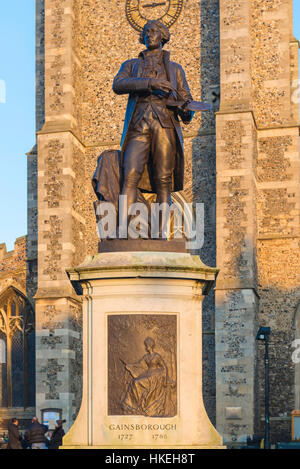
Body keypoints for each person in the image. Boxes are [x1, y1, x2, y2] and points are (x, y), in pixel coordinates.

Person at [113, 20, 194, 237]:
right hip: (139, 125)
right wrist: (150, 84)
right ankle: (121, 230)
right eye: (146, 32)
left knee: (163, 180)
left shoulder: (175, 69)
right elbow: (118, 84)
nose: (149, 35)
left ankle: (160, 235)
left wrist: (186, 109)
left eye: (154, 31)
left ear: (163, 36)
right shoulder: (131, 65)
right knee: (129, 174)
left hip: (164, 125)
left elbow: (186, 99)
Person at [121, 337, 169, 417]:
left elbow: (164, 367)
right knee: (135, 382)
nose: (146, 347)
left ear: (150, 345)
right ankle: (132, 404)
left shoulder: (157, 356)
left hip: (155, 375)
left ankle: (142, 405)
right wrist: (130, 365)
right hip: (148, 373)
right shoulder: (146, 357)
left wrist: (165, 379)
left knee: (138, 382)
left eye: (147, 345)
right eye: (146, 345)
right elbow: (139, 364)